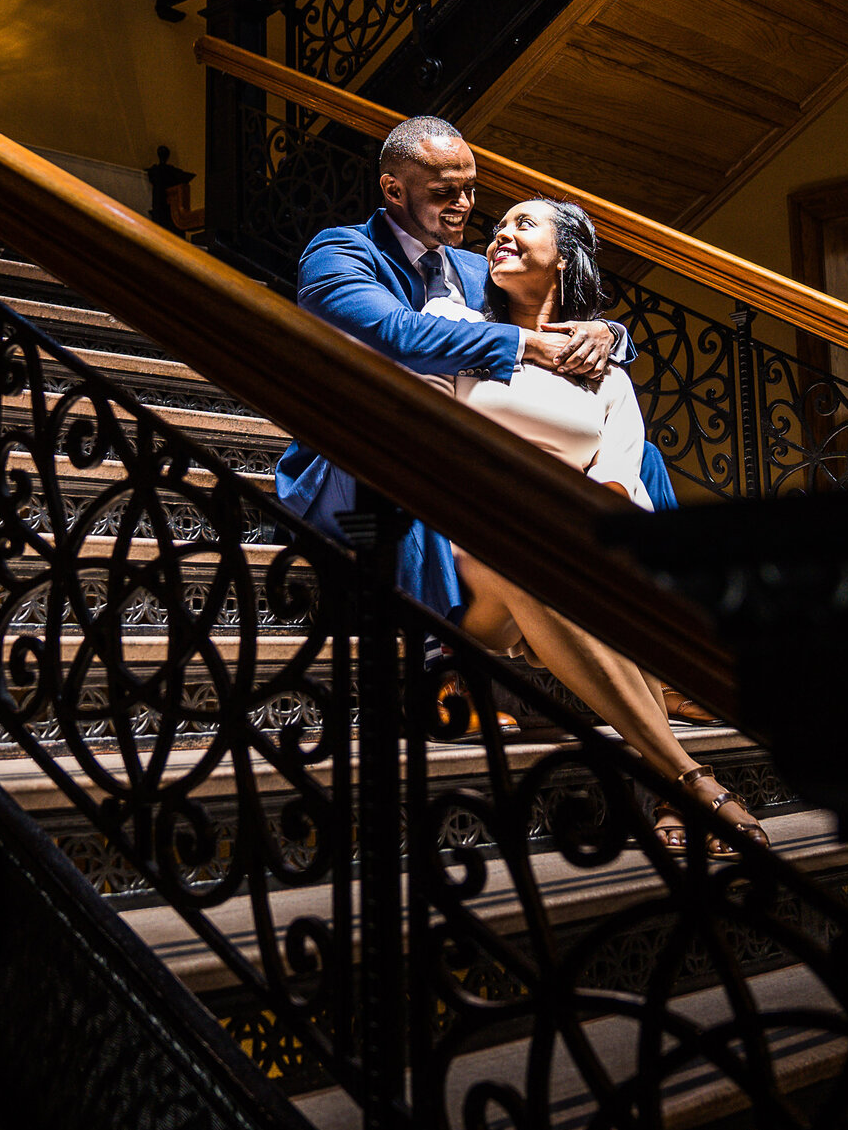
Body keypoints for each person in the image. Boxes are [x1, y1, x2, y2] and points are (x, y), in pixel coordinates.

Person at [434, 196, 767, 857]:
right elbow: (440, 442)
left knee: (601, 553)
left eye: (523, 224)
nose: (500, 231)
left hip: (568, 556)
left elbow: (617, 480)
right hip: (471, 568)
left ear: (564, 257)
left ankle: (678, 785)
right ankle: (691, 782)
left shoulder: (607, 374)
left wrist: (610, 335)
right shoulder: (458, 327)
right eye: (497, 225)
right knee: (532, 550)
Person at [275, 116, 642, 616]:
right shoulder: (339, 252)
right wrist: (527, 344)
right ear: (394, 189)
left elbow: (555, 318)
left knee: (629, 455)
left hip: (468, 460)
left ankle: (664, 628)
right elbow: (398, 336)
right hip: (358, 468)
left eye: (470, 188)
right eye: (446, 191)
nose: (465, 205)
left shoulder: (477, 268)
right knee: (409, 431)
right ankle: (434, 646)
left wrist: (609, 334)